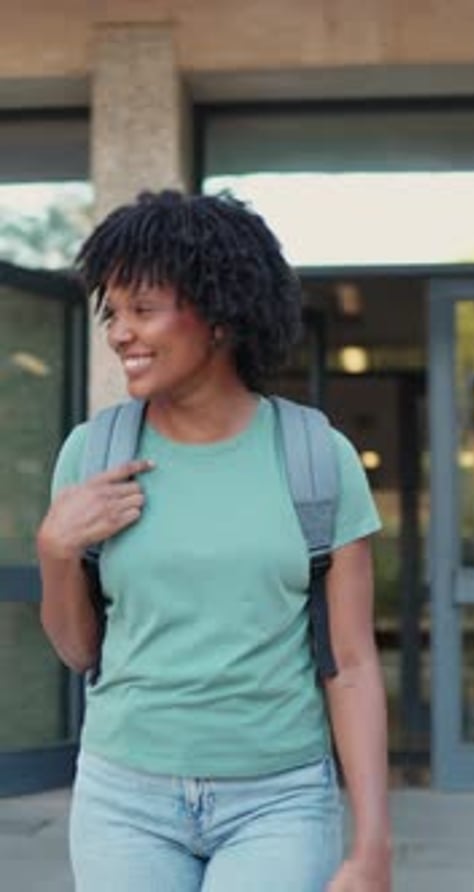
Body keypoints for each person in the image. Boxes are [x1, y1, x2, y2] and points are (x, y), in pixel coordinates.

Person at [37, 189, 391, 892]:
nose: (119, 333)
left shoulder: (317, 457)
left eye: (144, 309)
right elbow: (80, 651)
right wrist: (55, 552)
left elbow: (350, 664)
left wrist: (373, 842)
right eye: (113, 311)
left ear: (221, 314)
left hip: (278, 800)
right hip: (123, 800)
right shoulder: (92, 453)